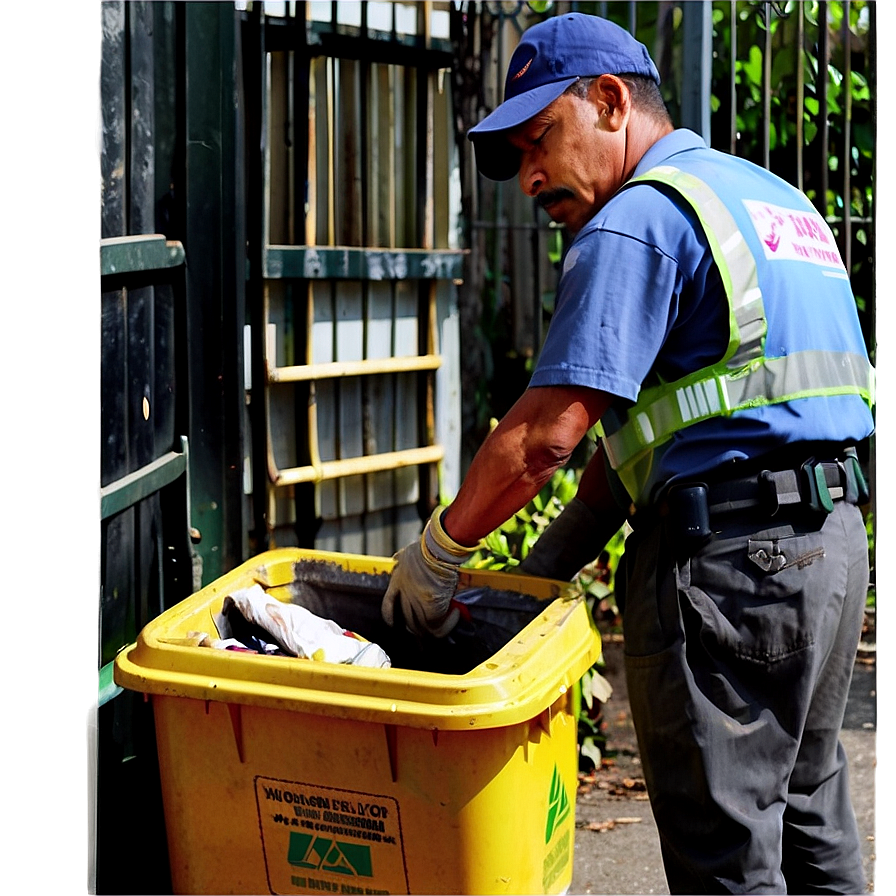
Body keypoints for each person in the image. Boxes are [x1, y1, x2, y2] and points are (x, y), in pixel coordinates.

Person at [381, 12, 874, 894]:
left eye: (540, 138)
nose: (529, 176)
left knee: (728, 856)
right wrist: (533, 580)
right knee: (809, 817)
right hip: (831, 553)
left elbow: (546, 438)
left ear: (609, 101)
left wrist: (439, 555)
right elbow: (649, 438)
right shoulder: (766, 199)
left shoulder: (636, 219)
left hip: (730, 574)